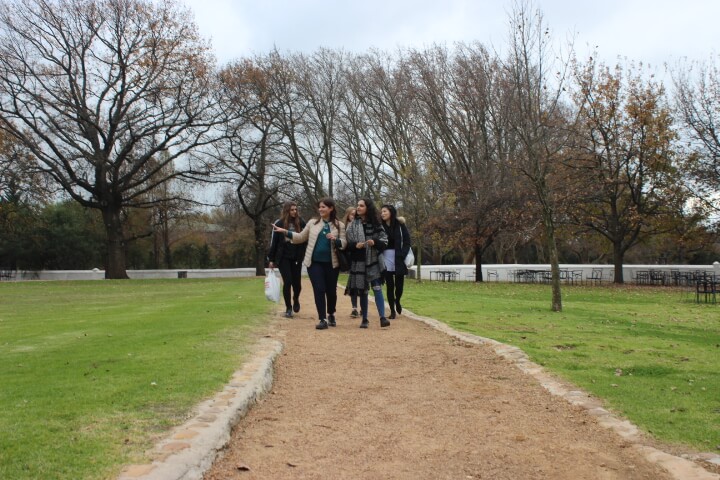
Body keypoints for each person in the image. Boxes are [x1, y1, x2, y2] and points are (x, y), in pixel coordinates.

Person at [272, 197, 346, 330]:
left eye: (324, 207)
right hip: (314, 263)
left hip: (332, 264)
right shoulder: (312, 223)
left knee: (331, 291)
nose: (321, 209)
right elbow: (301, 237)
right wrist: (286, 232)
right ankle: (322, 319)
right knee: (319, 289)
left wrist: (336, 240)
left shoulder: (339, 225)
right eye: (320, 207)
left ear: (331, 208)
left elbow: (344, 243)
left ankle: (331, 314)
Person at [345, 198, 390, 328]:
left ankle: (382, 318)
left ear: (367, 208)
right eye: (357, 205)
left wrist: (374, 242)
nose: (358, 208)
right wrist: (356, 245)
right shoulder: (353, 225)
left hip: (374, 260)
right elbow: (348, 243)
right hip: (359, 261)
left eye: (361, 206)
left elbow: (384, 240)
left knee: (377, 288)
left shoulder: (376, 224)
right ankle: (364, 319)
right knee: (363, 290)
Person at [268, 201, 307, 318]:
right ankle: (288, 308)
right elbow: (274, 242)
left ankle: (296, 298)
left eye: (295, 209)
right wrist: (271, 259)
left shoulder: (300, 222)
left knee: (297, 284)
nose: (294, 212)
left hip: (297, 256)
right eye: (292, 210)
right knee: (288, 281)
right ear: (287, 210)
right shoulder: (279, 223)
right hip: (283, 257)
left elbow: (306, 237)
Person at [380, 204, 412, 319]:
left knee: (399, 286)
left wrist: (402, 254)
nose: (382, 213)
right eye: (381, 212)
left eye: (385, 211)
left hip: (399, 257)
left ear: (391, 212)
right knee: (389, 285)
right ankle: (392, 310)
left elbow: (407, 241)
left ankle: (397, 300)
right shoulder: (380, 226)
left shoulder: (400, 225)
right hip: (385, 257)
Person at [342, 206, 359, 318]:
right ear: (348, 215)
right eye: (352, 214)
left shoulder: (360, 226)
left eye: (355, 214)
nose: (353, 216)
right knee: (353, 284)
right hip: (350, 258)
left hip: (360, 257)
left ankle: (361, 306)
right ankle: (354, 307)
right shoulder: (343, 228)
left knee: (361, 283)